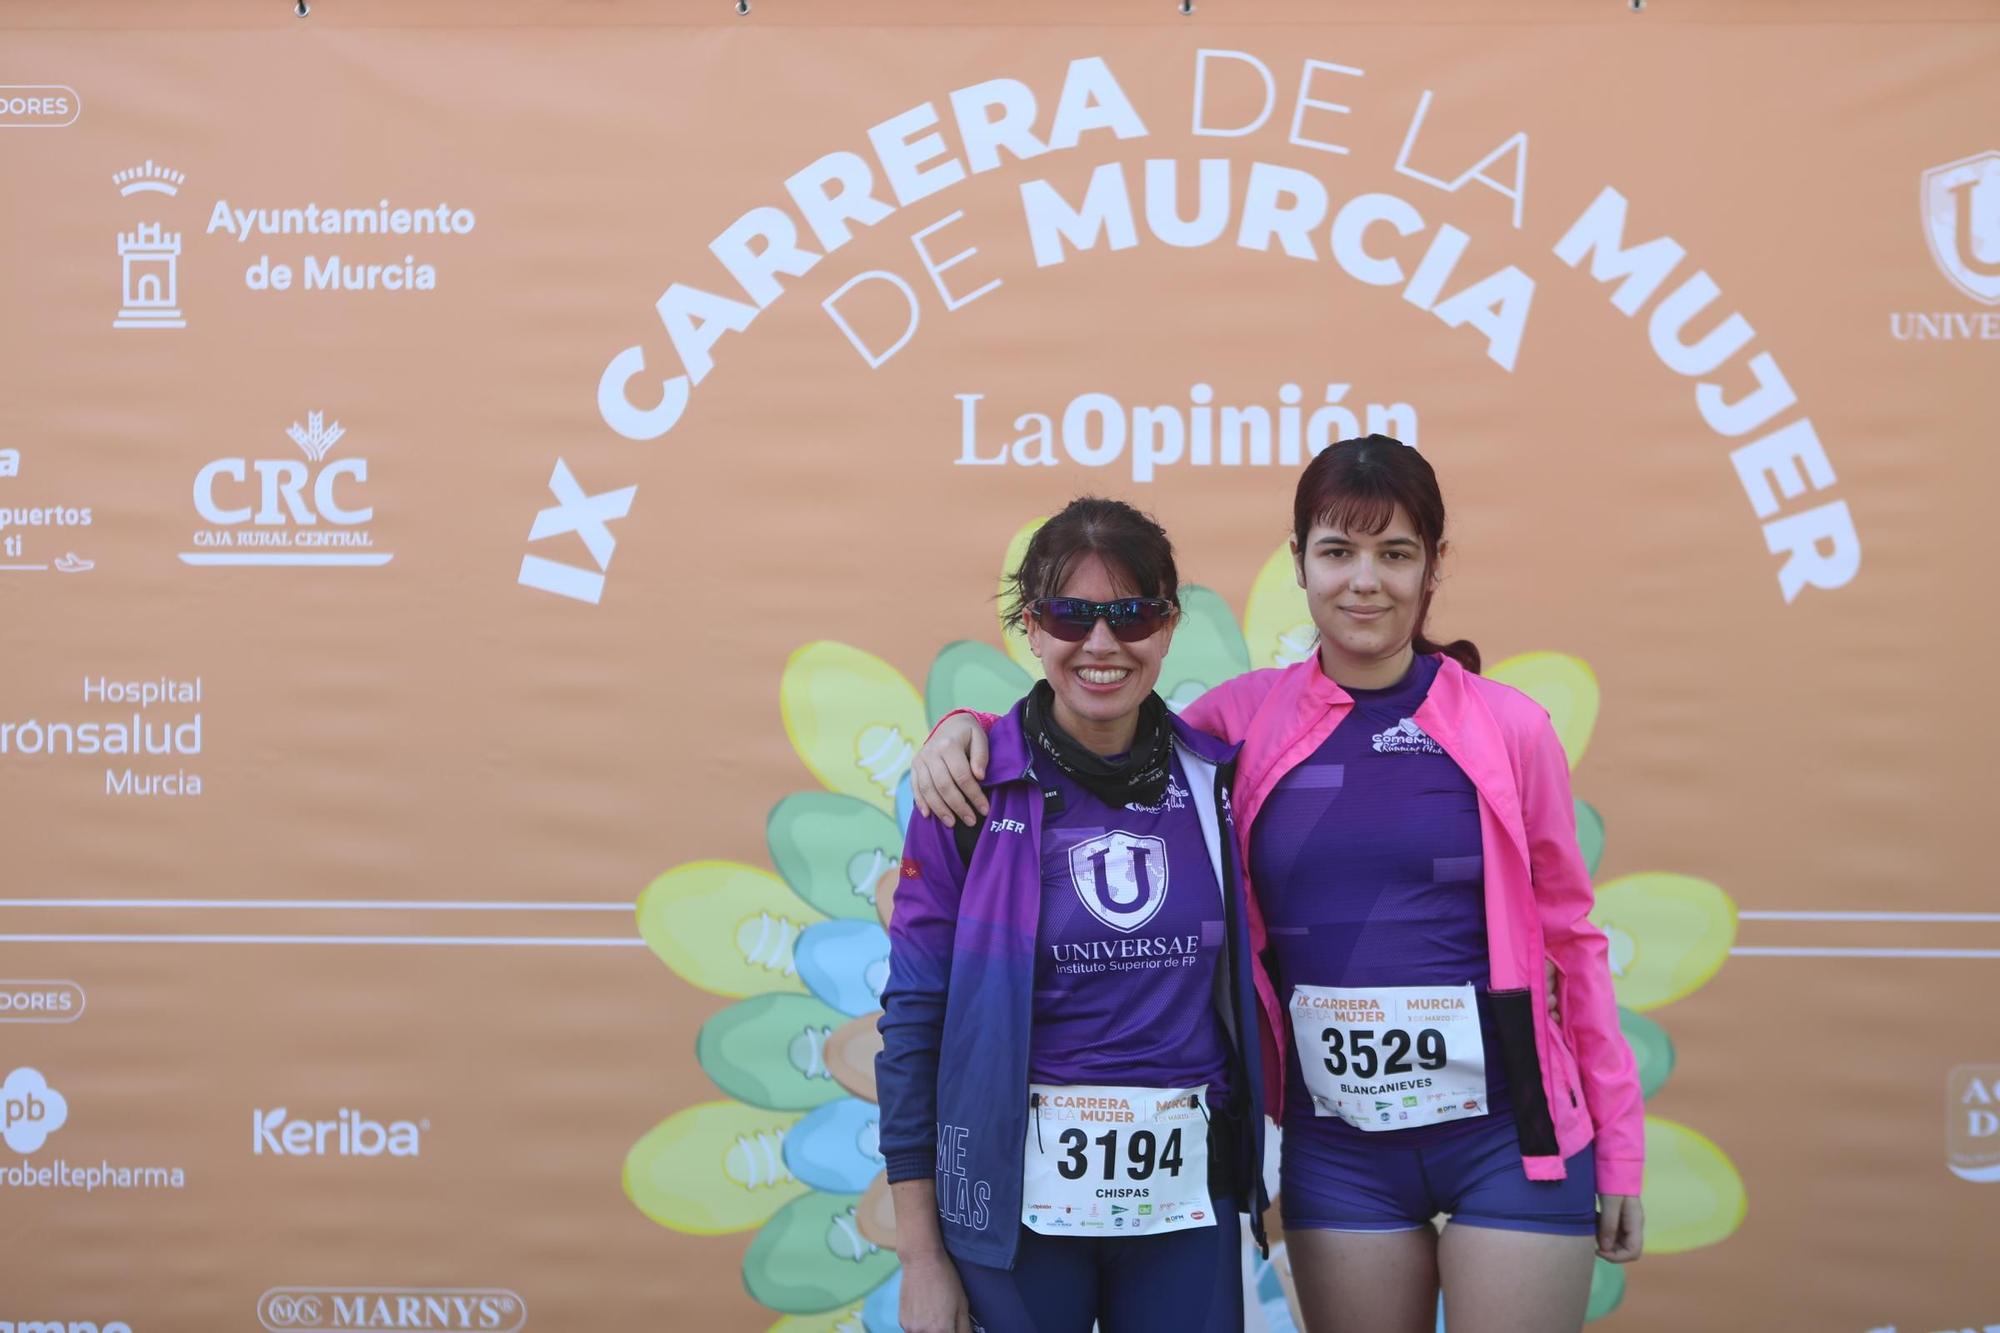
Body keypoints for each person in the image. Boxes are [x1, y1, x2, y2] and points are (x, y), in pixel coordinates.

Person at [910, 437, 1645, 1333]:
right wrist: (965, 728)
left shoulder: (1511, 729)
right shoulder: (1239, 724)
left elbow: (1574, 941)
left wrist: (1623, 1151)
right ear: (1298, 563)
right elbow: (1098, 716)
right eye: (1338, 552)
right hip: (1340, 1152)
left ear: (1434, 567)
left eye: (1396, 553)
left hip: (1511, 1136)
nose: (1364, 582)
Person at [876, 497, 1270, 1333]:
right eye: (1069, 614)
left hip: (1183, 1208)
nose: (1100, 644)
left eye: (1129, 615)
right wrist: (920, 1257)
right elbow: (915, 1021)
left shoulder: (1218, 779)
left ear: (1167, 627)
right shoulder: (968, 791)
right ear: (1030, 626)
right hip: (1014, 1214)